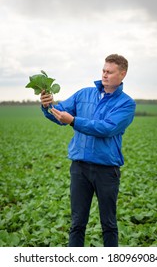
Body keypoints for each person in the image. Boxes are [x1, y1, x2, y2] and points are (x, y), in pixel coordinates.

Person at [40, 54, 136, 247]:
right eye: (103, 70)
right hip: (80, 168)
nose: (105, 75)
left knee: (108, 224)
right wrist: (47, 105)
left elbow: (107, 128)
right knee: (77, 223)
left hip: (107, 170)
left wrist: (74, 121)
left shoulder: (126, 104)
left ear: (122, 74)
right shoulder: (84, 94)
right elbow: (59, 113)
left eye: (110, 72)